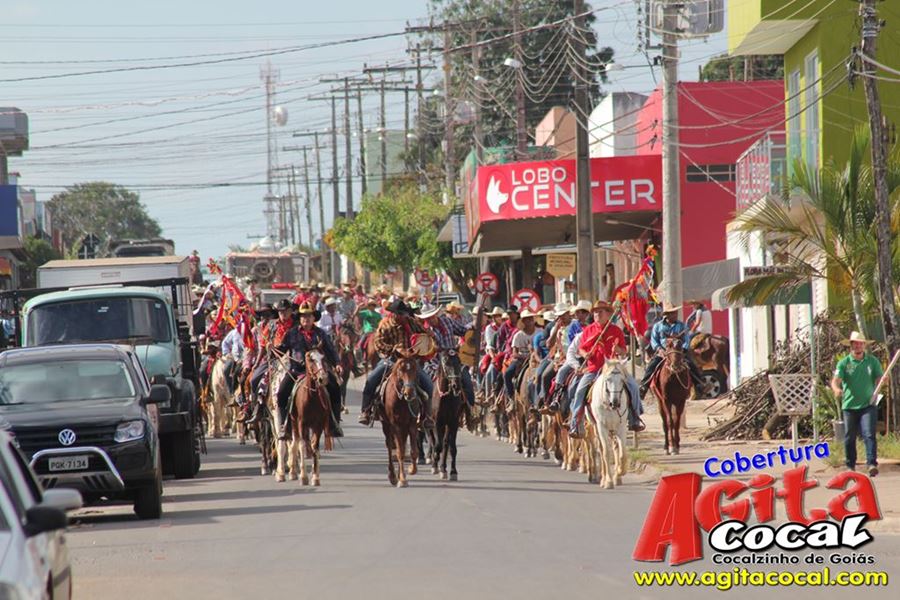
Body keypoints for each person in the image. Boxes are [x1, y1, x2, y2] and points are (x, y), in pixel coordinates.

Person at [358, 299, 434, 428]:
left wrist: (428, 334)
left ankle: (427, 416)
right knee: (371, 380)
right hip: (391, 360)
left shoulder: (411, 323)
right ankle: (366, 411)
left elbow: (423, 333)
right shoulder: (386, 325)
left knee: (428, 384)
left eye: (404, 314)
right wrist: (394, 349)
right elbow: (378, 344)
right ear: (394, 313)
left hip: (410, 360)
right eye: (400, 314)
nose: (402, 316)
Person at [275, 302, 343, 439]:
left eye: (309, 316)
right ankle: (284, 426)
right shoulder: (291, 333)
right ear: (299, 319)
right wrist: (273, 349)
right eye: (303, 316)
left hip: (318, 370)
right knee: (281, 393)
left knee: (335, 389)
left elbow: (330, 350)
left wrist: (337, 363)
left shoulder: (321, 334)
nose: (306, 319)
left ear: (314, 318)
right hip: (297, 371)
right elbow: (282, 349)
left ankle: (334, 424)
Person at [569, 301, 626, 437]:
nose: (596, 314)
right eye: (595, 312)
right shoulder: (588, 330)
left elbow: (624, 351)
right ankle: (575, 423)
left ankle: (635, 417)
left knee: (633, 387)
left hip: (612, 368)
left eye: (600, 312)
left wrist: (618, 349)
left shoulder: (616, 330)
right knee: (579, 391)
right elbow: (581, 348)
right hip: (593, 368)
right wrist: (585, 354)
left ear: (608, 314)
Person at [831, 331, 884, 477]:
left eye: (860, 343)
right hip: (849, 405)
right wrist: (836, 389)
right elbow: (835, 380)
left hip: (868, 404)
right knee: (849, 436)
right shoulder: (844, 363)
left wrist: (882, 383)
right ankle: (850, 465)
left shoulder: (872, 361)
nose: (858, 346)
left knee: (868, 434)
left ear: (864, 346)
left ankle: (872, 463)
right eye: (855, 343)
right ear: (851, 345)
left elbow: (880, 378)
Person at [639, 303, 706, 397]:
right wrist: (659, 350)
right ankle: (643, 386)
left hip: (679, 352)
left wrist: (682, 350)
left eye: (675, 312)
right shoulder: (658, 326)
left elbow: (686, 340)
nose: (675, 314)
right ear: (667, 315)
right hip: (663, 352)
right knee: (652, 365)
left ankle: (699, 385)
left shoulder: (682, 326)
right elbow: (654, 340)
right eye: (673, 313)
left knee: (691, 364)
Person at [418, 305, 476, 413]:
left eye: (431, 316)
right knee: (423, 384)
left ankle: (470, 411)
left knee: (467, 381)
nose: (430, 319)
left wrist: (472, 329)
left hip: (453, 361)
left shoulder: (447, 322)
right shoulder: (425, 330)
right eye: (427, 318)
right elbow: (426, 350)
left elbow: (462, 330)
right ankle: (423, 414)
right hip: (435, 363)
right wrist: (432, 339)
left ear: (435, 314)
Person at [503, 309, 538, 405]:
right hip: (521, 360)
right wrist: (526, 356)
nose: (530, 320)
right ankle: (510, 399)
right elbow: (514, 353)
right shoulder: (518, 335)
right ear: (523, 321)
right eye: (527, 319)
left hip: (538, 359)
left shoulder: (540, 332)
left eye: (531, 318)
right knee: (507, 374)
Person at [220, 325, 245, 394]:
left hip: (246, 357)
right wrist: (227, 353)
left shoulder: (250, 330)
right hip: (234, 357)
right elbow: (224, 343)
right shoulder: (234, 332)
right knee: (226, 370)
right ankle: (231, 392)